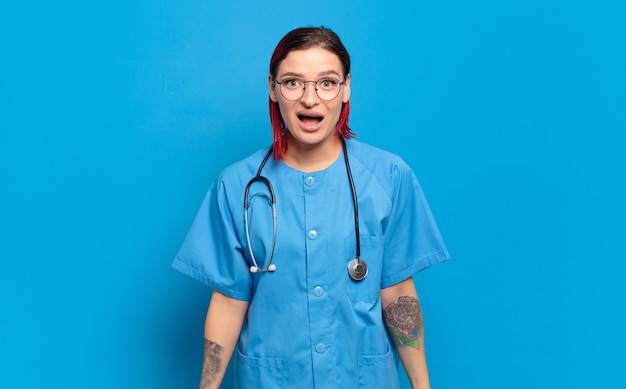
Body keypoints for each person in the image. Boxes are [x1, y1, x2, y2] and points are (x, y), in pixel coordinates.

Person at [173, 26, 449, 389]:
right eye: (292, 82)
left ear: (346, 88)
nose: (310, 99)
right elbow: (228, 301)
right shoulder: (236, 185)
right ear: (273, 88)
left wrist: (422, 386)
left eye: (327, 82)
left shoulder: (389, 176)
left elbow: (398, 294)